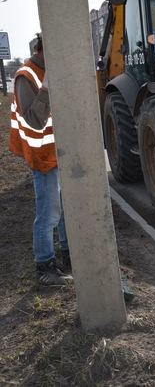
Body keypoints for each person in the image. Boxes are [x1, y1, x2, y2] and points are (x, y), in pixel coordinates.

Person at [9, 33, 72, 287]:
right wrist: (47, 88)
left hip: (59, 153)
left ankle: (69, 254)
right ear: (44, 49)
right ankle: (45, 266)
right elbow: (34, 120)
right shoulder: (27, 76)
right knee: (48, 214)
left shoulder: (50, 70)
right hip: (42, 155)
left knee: (67, 209)